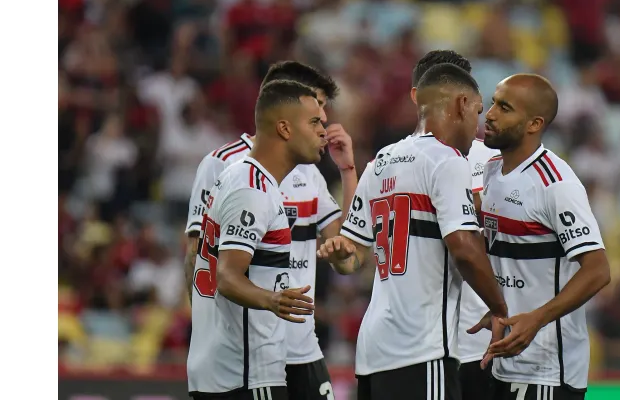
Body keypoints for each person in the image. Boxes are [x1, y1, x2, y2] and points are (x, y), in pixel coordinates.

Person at [317, 64, 508, 400]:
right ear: (462, 103)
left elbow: (353, 260)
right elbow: (463, 246)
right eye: (478, 111)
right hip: (422, 349)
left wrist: (340, 255)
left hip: (373, 352)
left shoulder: (381, 162)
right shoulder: (447, 160)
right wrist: (500, 308)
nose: (477, 124)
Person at [185, 61, 358, 400]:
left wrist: (349, 172)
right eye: (315, 112)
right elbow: (203, 260)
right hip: (246, 353)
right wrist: (211, 330)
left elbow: (348, 257)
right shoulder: (230, 168)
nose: (325, 124)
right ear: (284, 120)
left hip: (294, 343)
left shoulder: (305, 174)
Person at [477, 74, 611, 400]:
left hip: (548, 372)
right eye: (493, 101)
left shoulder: (556, 184)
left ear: (533, 123)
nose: (490, 113)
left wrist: (536, 319)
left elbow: (598, 270)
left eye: (504, 107)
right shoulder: (492, 170)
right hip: (504, 359)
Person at [411, 50, 500, 400]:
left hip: (479, 341)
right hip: (425, 341)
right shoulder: (394, 160)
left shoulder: (493, 159)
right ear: (418, 95)